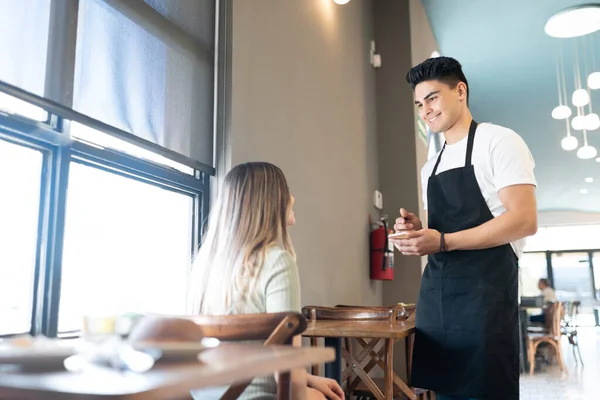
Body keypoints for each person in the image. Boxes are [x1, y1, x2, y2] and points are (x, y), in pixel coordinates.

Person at [390, 57, 537, 400]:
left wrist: (442, 240)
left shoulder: (498, 141)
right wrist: (417, 231)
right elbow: (441, 231)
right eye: (418, 103)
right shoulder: (431, 165)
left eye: (432, 97)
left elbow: (524, 220)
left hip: (485, 299)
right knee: (446, 393)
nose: (425, 110)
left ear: (460, 91)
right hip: (440, 300)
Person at [187, 162, 344, 400]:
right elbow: (288, 374)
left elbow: (245, 356)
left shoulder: (205, 268)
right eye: (285, 189)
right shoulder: (277, 261)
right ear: (271, 201)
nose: (292, 197)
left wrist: (310, 379)